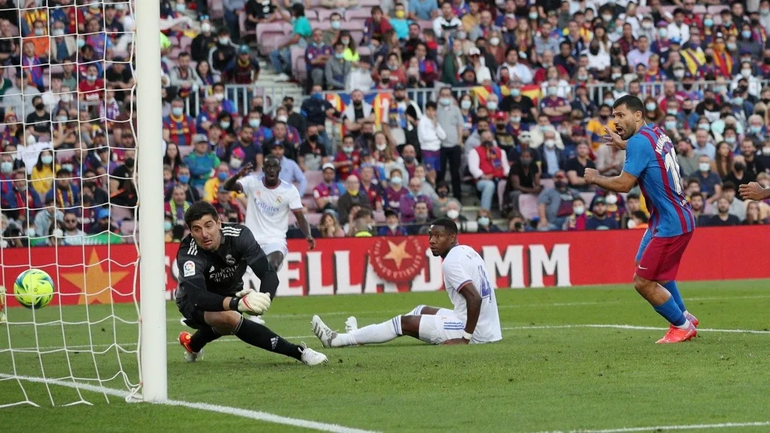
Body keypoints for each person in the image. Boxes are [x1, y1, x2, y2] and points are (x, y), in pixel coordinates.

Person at [584, 95, 698, 344]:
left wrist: (595, 178)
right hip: (669, 216)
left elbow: (625, 184)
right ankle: (684, 315)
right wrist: (625, 144)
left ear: (637, 115)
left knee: (643, 282)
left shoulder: (638, 143)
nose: (615, 121)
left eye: (621, 115)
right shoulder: (656, 132)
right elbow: (647, 149)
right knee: (648, 265)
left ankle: (681, 326)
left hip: (671, 222)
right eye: (613, 116)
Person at [176, 202, 327, 366]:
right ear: (191, 232)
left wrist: (264, 298)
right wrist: (236, 303)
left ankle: (192, 344)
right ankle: (299, 352)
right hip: (193, 303)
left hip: (229, 291)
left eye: (208, 225)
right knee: (230, 318)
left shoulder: (239, 236)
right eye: (197, 229)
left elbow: (268, 273)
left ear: (218, 222)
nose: (205, 234)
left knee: (226, 324)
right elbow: (198, 296)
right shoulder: (188, 253)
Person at [311, 218, 501, 347]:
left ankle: (339, 340)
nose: (432, 241)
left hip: (474, 331)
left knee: (401, 323)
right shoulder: (467, 250)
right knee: (420, 310)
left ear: (452, 238)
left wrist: (465, 338)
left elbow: (474, 298)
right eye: (430, 235)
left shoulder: (451, 262)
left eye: (438, 236)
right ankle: (360, 336)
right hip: (487, 327)